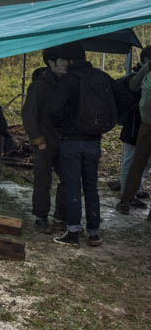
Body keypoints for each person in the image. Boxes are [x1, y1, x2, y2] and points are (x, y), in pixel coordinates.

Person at [48, 41, 130, 246]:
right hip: (94, 140)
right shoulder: (101, 76)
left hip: (71, 141)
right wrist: (105, 121)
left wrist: (65, 125)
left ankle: (73, 232)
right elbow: (127, 100)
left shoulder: (68, 80)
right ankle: (94, 232)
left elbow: (54, 110)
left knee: (73, 186)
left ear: (69, 60)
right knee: (92, 187)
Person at [22, 47, 69, 233]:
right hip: (44, 141)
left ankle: (61, 216)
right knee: (43, 180)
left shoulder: (66, 83)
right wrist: (38, 140)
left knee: (67, 178)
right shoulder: (39, 86)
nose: (65, 64)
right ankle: (41, 216)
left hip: (63, 140)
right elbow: (29, 115)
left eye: (67, 60)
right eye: (61, 60)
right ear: (51, 63)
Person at [114, 47, 151, 212]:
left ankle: (126, 200)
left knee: (137, 163)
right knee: (136, 163)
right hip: (143, 124)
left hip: (146, 123)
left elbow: (134, 85)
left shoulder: (148, 68)